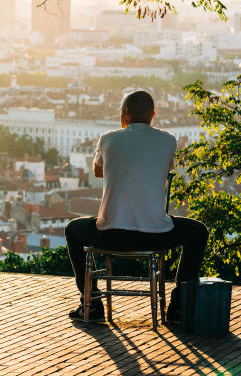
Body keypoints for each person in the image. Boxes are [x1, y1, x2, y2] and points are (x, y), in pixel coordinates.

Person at [65, 90, 209, 324]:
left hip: (111, 234)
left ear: (124, 115)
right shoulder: (168, 140)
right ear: (153, 115)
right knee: (198, 231)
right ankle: (179, 306)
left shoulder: (109, 139)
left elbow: (97, 171)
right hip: (155, 235)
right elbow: (165, 172)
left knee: (73, 229)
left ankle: (90, 303)